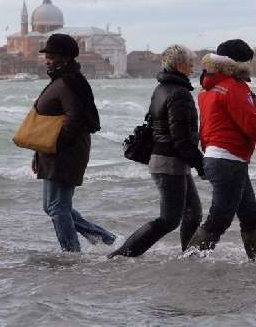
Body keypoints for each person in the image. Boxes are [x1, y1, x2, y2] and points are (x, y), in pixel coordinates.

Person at [186, 39, 256, 260]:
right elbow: (252, 125)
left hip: (221, 158)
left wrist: (209, 156)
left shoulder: (210, 88)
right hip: (228, 160)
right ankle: (189, 261)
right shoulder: (233, 88)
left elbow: (207, 129)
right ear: (240, 64)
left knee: (250, 215)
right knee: (220, 218)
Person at [108, 44, 204, 259]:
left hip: (166, 160)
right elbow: (180, 138)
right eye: (190, 63)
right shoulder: (179, 93)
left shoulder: (161, 88)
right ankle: (121, 255)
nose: (192, 67)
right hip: (170, 162)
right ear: (179, 65)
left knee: (193, 213)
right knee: (170, 219)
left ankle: (190, 257)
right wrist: (201, 164)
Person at [32, 33, 115, 252]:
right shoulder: (61, 80)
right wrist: (40, 152)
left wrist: (56, 145)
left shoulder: (70, 83)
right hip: (53, 153)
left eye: (51, 55)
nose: (47, 59)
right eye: (46, 55)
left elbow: (75, 118)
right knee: (51, 206)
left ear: (65, 58)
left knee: (58, 206)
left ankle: (71, 254)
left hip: (65, 153)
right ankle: (105, 238)